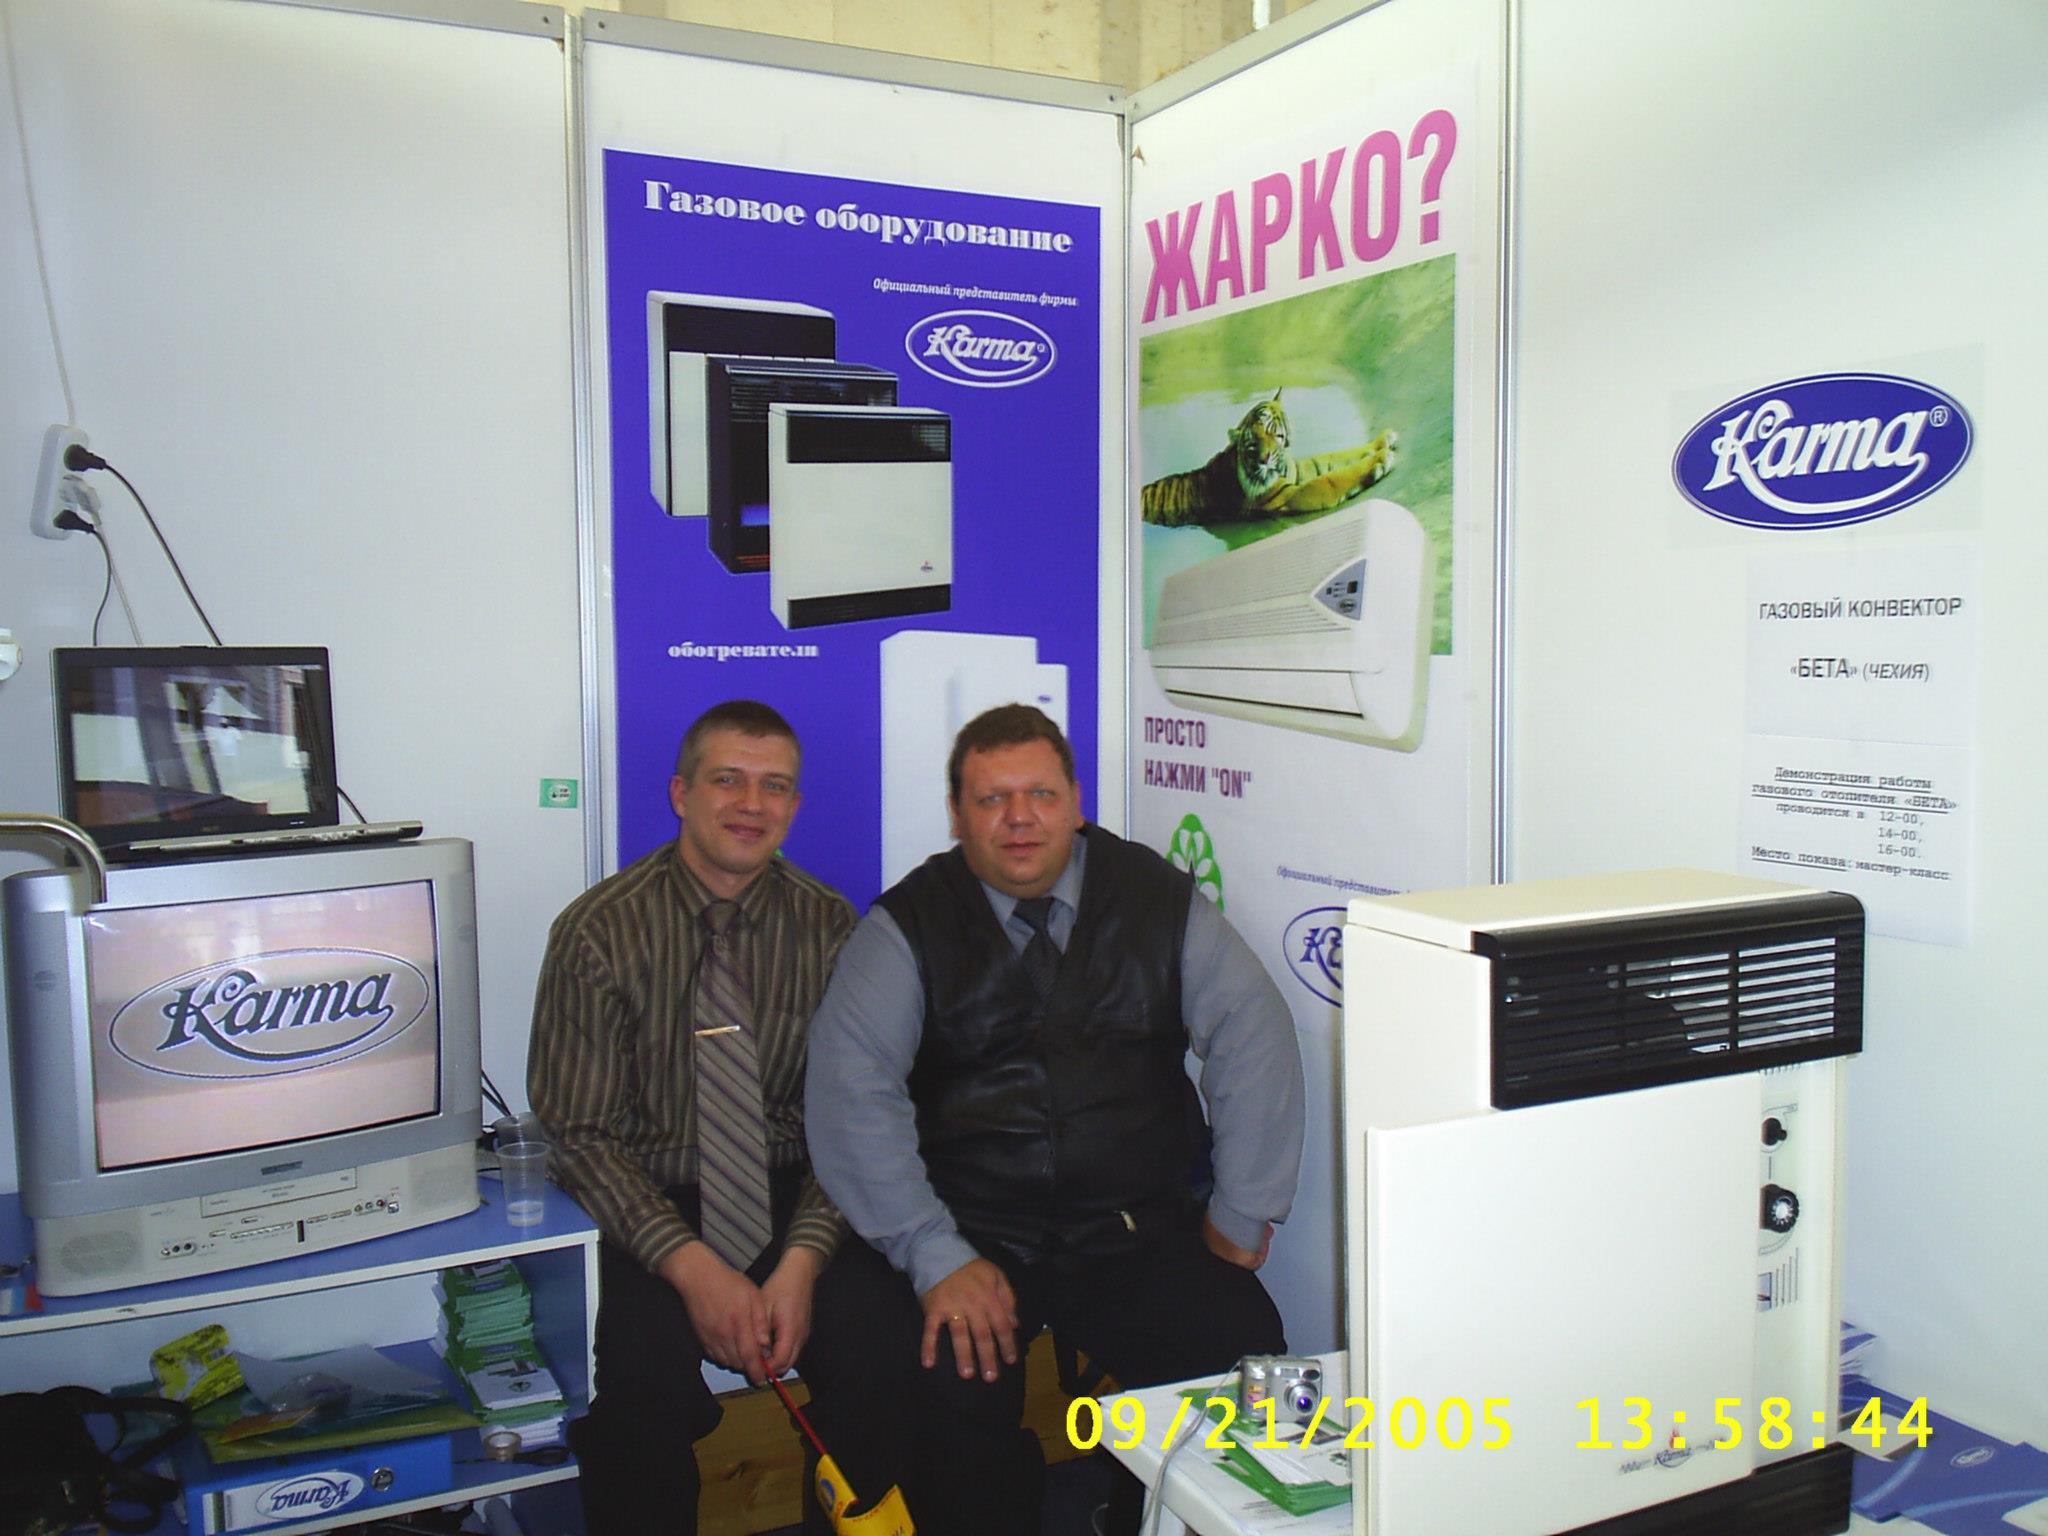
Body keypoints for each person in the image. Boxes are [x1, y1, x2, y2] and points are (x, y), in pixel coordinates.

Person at [805, 704, 1305, 1536]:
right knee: (937, 1381)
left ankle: (1138, 1515)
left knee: (1243, 1350)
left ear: (1075, 802)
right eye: (992, 799)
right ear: (957, 814)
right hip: (972, 1226)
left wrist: (1244, 1206)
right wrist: (932, 1251)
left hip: (1133, 1224)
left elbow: (1253, 1028)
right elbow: (852, 1092)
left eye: (1039, 794)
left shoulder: (1156, 898)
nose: (1020, 818)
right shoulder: (905, 926)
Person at [528, 700, 901, 1536]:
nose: (751, 804)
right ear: (680, 793)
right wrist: (692, 1269)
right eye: (728, 780)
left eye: (775, 786)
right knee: (639, 1383)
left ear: (795, 805)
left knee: (882, 1340)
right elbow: (580, 1137)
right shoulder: (597, 932)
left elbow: (855, 1118)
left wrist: (803, 1262)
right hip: (653, 1198)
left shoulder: (829, 926)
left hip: (795, 1186)